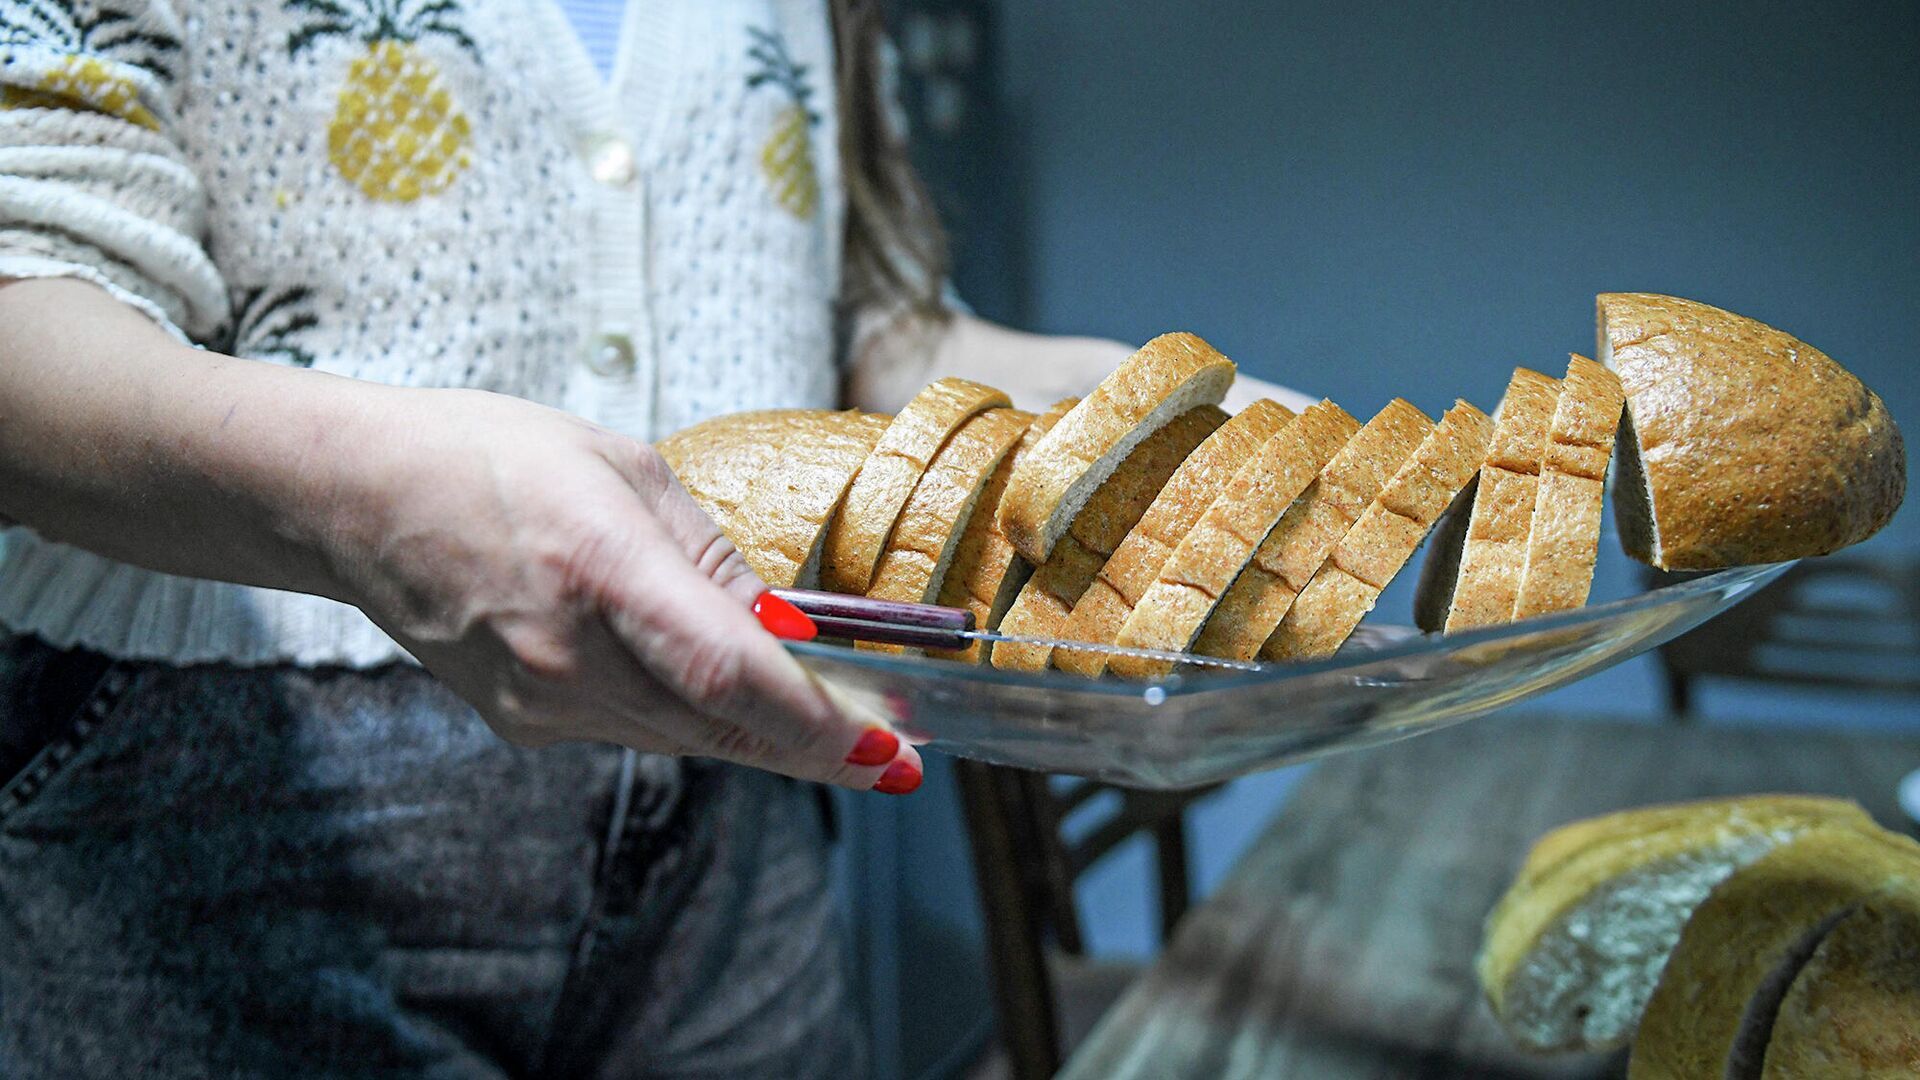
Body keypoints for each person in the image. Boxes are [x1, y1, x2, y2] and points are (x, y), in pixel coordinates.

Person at [0, 0, 1305, 1075]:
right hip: (220, 808)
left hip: (735, 839)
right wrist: (363, 501)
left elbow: (868, 337)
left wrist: (1127, 407)